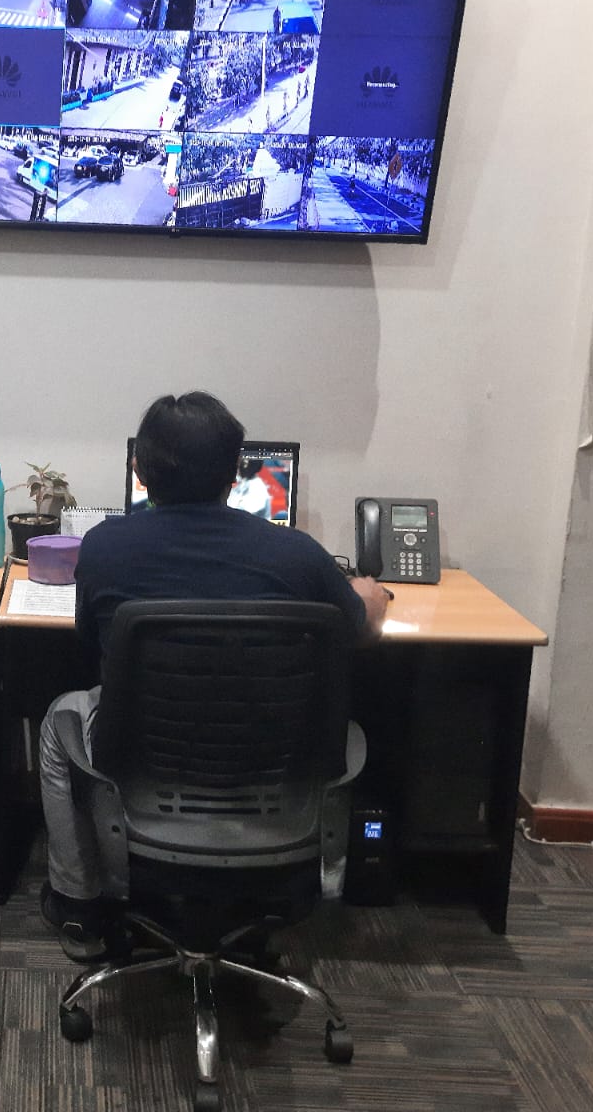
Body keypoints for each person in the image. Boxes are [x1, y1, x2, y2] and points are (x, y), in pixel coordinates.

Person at [38, 392, 389, 961]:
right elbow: (363, 630)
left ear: (140, 471)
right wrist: (371, 595)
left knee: (61, 716)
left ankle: (78, 903)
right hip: (272, 778)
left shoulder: (105, 547)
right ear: (236, 472)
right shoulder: (298, 555)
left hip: (148, 774)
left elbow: (88, 641)